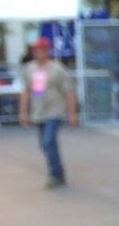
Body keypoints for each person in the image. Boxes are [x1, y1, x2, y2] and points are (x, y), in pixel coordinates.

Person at [17, 36, 77, 187]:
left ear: (46, 51)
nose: (37, 53)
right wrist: (23, 112)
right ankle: (59, 172)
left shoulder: (57, 69)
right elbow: (26, 92)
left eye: (40, 50)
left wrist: (72, 113)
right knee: (44, 145)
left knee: (48, 140)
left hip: (55, 111)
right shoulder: (30, 69)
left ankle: (54, 174)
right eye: (35, 51)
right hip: (39, 112)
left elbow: (69, 92)